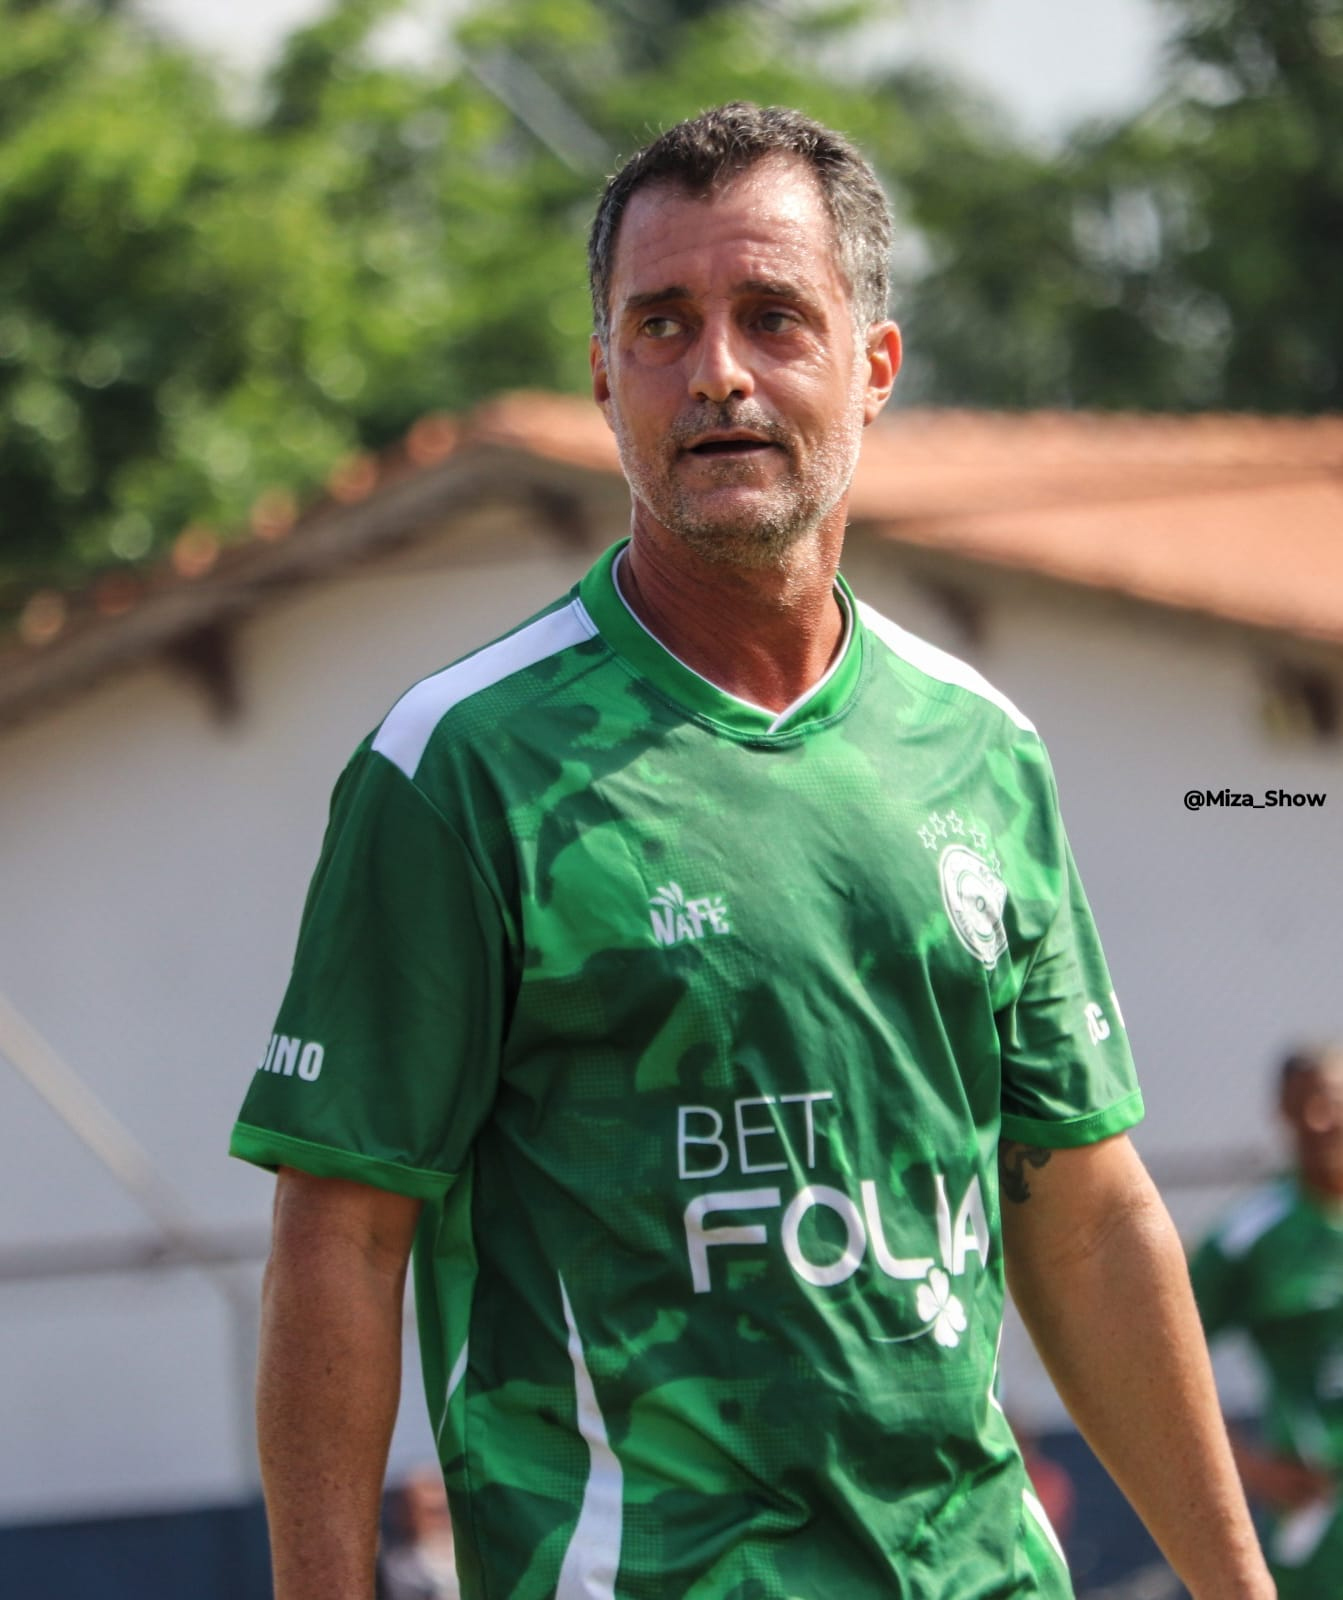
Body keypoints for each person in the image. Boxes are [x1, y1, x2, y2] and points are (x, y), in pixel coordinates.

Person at [231, 103, 1272, 1599]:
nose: (715, 369)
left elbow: (1087, 1217)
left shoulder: (981, 748)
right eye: (660, 324)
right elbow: (337, 1242)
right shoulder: (458, 764)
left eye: (772, 316)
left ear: (873, 365)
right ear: (604, 378)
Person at [1191, 1044, 1343, 1597]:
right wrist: (1246, 1468)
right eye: (1302, 1105)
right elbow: (1161, 1352)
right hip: (1319, 1520)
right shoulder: (1250, 1235)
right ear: (1280, 1113)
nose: (1319, 1120)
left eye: (1331, 1101)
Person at [377, 1467, 462, 1600]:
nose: (441, 1520)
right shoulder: (398, 1569)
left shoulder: (474, 1556)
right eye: (432, 1512)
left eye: (444, 1509)